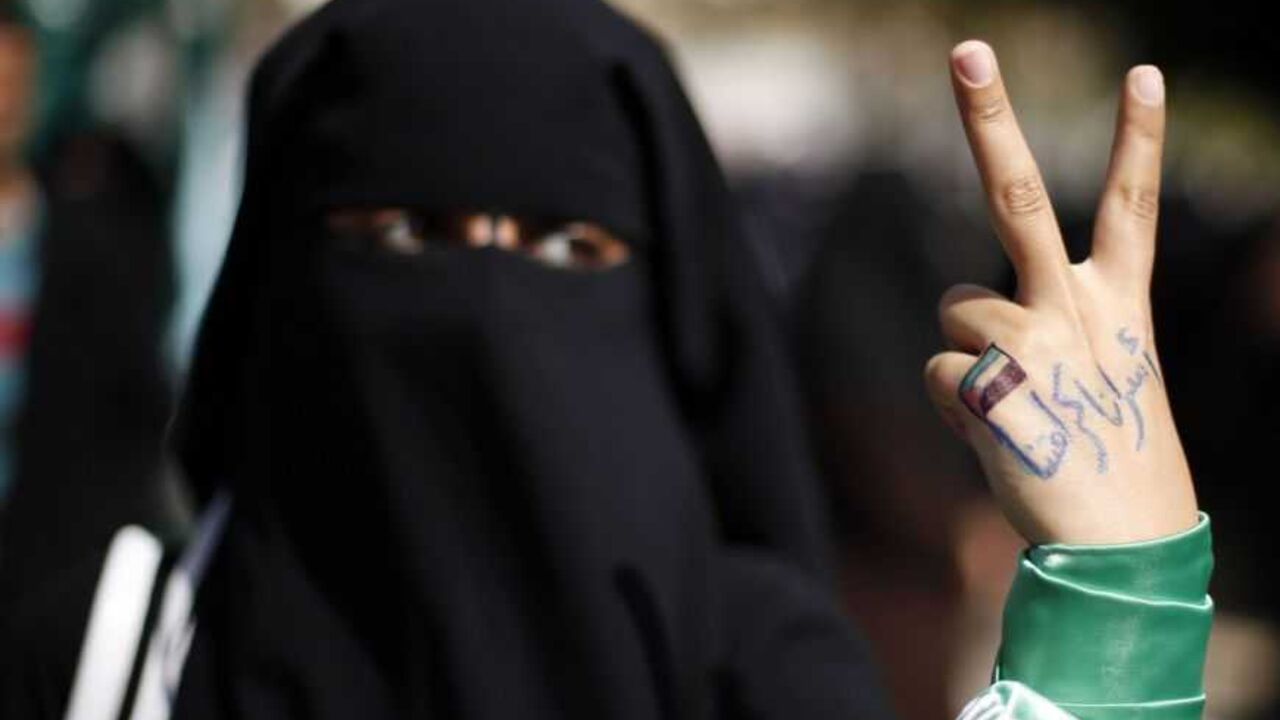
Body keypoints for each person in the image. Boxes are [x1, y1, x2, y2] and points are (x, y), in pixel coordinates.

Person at [2, 1, 1214, 719]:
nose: (482, 316)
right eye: (405, 235)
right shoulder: (113, 659)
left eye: (563, 248)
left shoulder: (759, 670)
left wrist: (1117, 613)